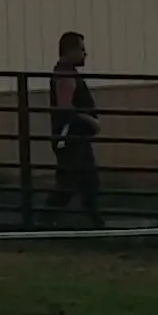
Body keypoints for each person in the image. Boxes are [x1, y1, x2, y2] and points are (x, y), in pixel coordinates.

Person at [45, 30, 105, 228]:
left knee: (88, 181)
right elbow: (65, 106)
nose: (84, 54)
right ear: (70, 50)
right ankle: (42, 222)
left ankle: (96, 224)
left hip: (76, 136)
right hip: (70, 136)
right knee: (69, 182)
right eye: (81, 49)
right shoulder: (65, 74)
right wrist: (89, 120)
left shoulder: (67, 73)